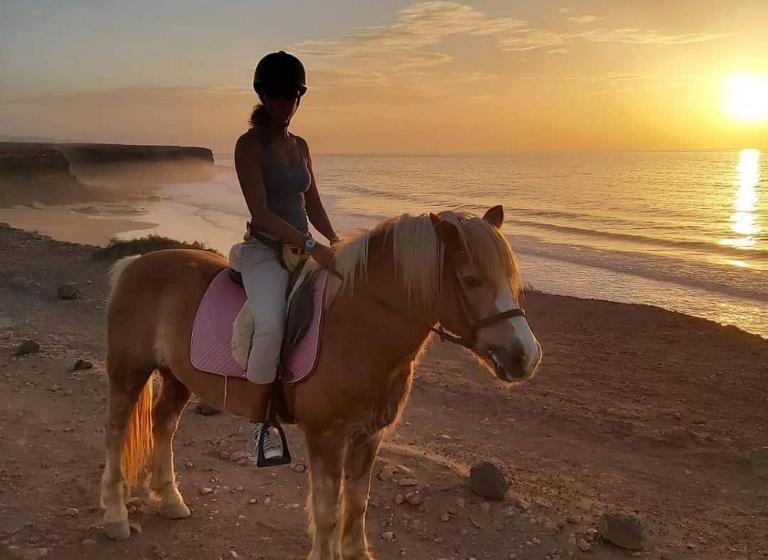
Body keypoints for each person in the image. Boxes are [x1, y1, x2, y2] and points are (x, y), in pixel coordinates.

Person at [229, 51, 339, 463]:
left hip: (304, 247)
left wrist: (334, 239)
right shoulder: (248, 146)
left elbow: (313, 203)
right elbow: (262, 214)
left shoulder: (302, 145)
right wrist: (313, 247)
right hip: (264, 250)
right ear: (262, 94)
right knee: (271, 324)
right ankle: (261, 425)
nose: (286, 102)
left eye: (293, 93)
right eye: (277, 94)